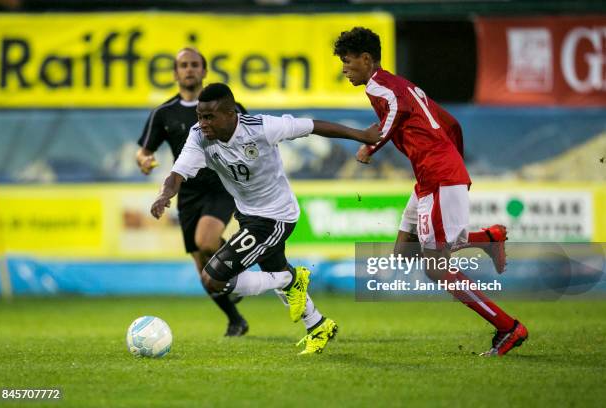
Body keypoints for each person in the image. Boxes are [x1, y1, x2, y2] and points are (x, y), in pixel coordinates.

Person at [333, 27, 528, 356]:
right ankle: (489, 237)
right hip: (433, 175)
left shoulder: (380, 85)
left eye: (347, 61)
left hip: (438, 175)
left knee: (435, 266)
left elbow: (392, 117)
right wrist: (452, 162)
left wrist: (373, 149)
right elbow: (451, 124)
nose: (344, 68)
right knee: (404, 253)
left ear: (366, 59)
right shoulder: (403, 85)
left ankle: (508, 327)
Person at [151, 83, 381, 354]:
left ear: (230, 113)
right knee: (274, 270)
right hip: (248, 215)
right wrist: (164, 195)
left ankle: (290, 279)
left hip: (275, 217)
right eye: (200, 116)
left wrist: (361, 135)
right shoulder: (199, 136)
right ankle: (318, 325)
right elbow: (177, 172)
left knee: (213, 279)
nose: (203, 123)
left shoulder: (261, 128)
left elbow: (312, 126)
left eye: (209, 117)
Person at [136, 48, 249, 337]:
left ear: (204, 71)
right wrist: (145, 161)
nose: (189, 69)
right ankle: (235, 319)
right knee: (203, 268)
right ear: (175, 73)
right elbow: (144, 151)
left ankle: (233, 269)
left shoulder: (227, 108)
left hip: (221, 185)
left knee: (206, 240)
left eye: (194, 65)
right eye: (183, 65)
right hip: (186, 193)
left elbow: (251, 137)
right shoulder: (164, 113)